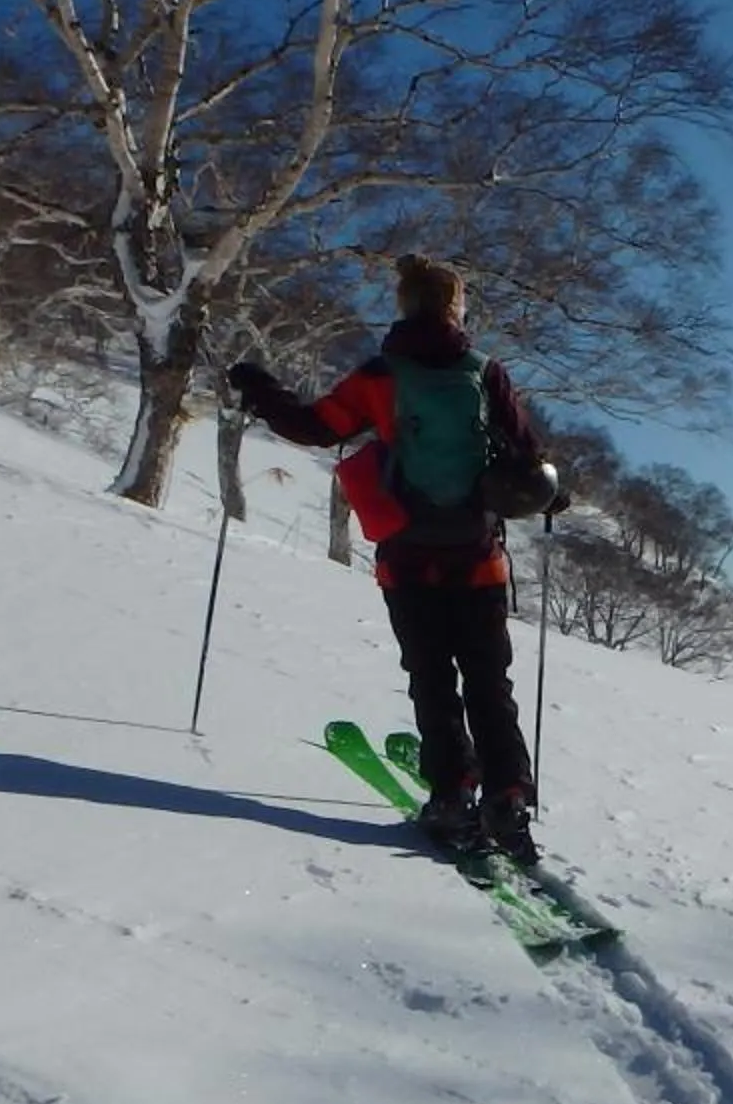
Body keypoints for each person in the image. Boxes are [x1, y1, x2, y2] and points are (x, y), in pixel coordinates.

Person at [227, 254, 563, 862]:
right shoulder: (487, 374)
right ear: (456, 308)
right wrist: (552, 493)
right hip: (479, 559)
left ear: (404, 306)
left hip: (407, 559)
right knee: (490, 684)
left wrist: (261, 390)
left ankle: (452, 798)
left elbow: (316, 427)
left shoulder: (379, 376)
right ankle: (508, 799)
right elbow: (528, 455)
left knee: (432, 680)